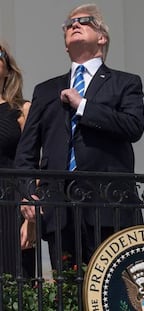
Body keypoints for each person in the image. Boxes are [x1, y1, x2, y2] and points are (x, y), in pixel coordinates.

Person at [14, 3, 144, 270]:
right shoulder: (47, 90)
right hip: (60, 210)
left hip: (110, 206)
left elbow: (134, 127)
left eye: (85, 21)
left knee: (113, 290)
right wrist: (28, 193)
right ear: (65, 43)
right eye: (69, 24)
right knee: (68, 293)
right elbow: (26, 151)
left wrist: (83, 105)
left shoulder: (125, 83)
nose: (75, 25)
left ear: (102, 37)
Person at [0, 42, 35, 278]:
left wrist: (30, 223)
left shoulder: (22, 110)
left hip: (10, 208)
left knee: (14, 286)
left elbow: (34, 167)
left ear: (8, 69)